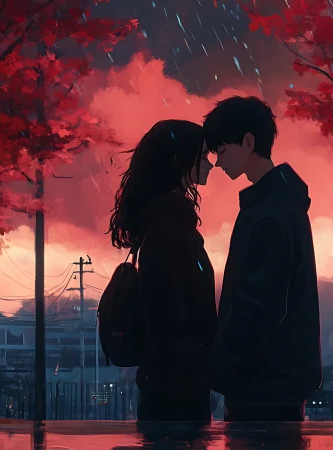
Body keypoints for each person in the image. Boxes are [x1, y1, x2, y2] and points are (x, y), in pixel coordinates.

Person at [202, 96, 323, 422]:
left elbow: (261, 303)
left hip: (263, 385)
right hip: (275, 380)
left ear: (248, 142)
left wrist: (223, 364)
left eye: (222, 149)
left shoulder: (270, 214)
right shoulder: (279, 205)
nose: (217, 161)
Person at [108, 119, 218, 422]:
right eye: (203, 156)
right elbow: (168, 312)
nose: (211, 165)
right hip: (177, 389)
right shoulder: (170, 226)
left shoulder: (164, 221)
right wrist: (200, 356)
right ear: (178, 160)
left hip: (170, 382)